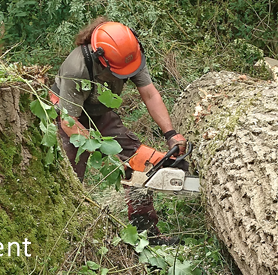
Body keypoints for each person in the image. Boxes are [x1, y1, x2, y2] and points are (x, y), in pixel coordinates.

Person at [50, 17, 187, 245]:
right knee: (70, 176)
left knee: (137, 162)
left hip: (101, 111)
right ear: (100, 58)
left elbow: (150, 93)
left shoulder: (128, 54)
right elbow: (69, 121)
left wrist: (170, 133)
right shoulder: (78, 67)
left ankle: (146, 234)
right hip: (69, 114)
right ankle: (66, 237)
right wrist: (102, 151)